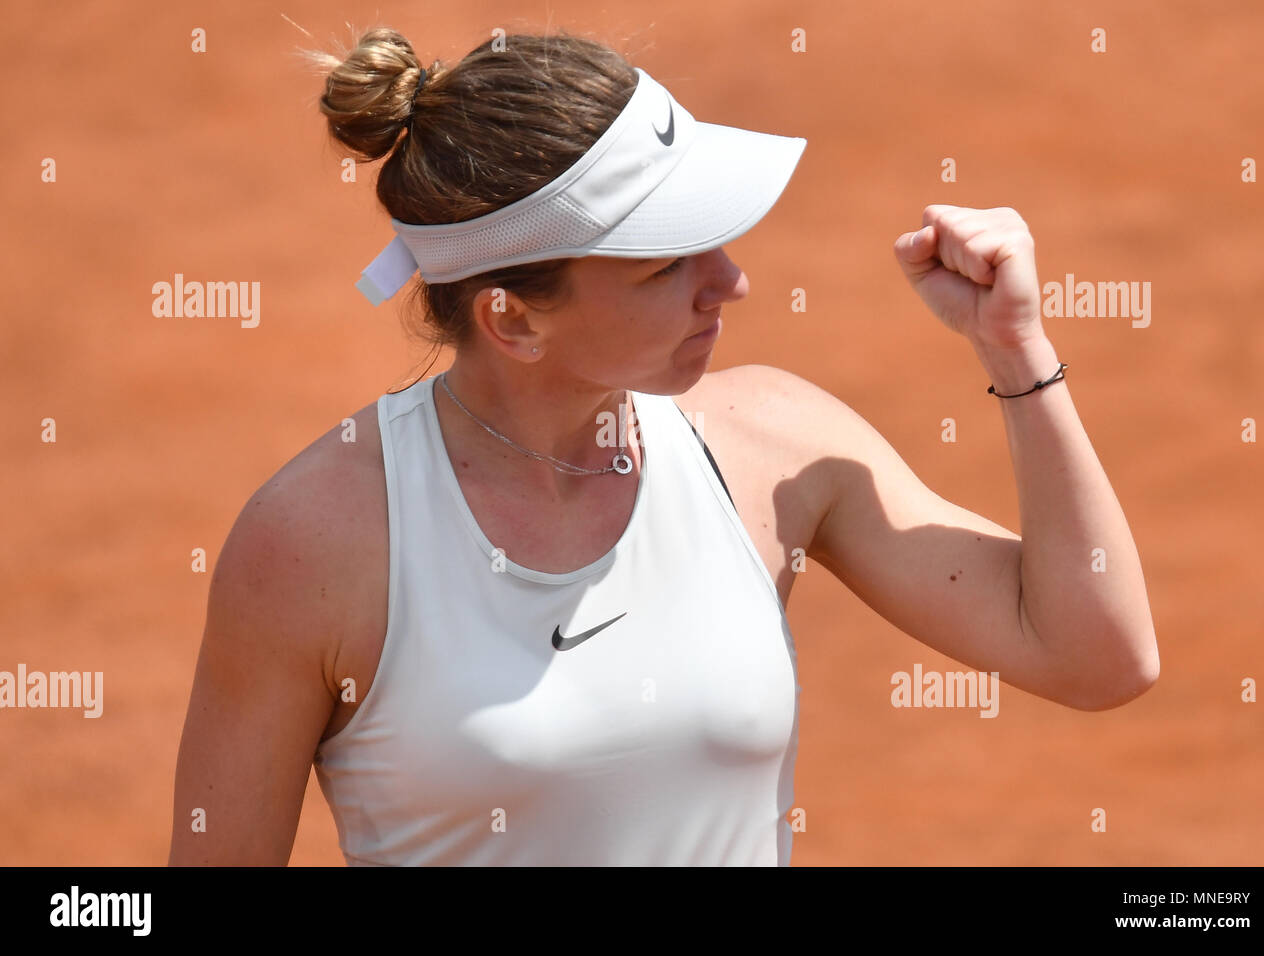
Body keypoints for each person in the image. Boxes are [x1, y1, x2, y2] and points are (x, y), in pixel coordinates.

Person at [167, 27, 1159, 866]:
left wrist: (1017, 351)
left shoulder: (773, 446)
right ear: (513, 320)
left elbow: (1095, 654)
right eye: (667, 264)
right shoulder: (317, 543)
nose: (730, 281)